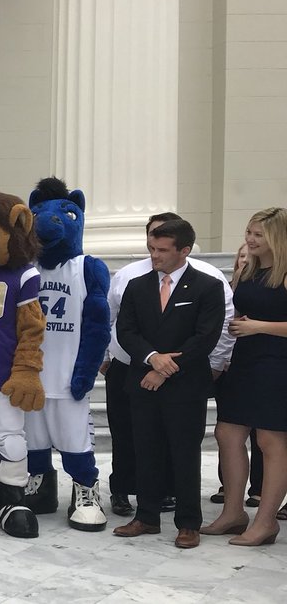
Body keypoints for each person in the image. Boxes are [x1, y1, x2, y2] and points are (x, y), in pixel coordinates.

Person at [102, 212, 235, 516]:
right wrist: (152, 358)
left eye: (162, 250)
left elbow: (206, 336)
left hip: (185, 384)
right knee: (145, 449)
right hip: (141, 378)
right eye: (152, 248)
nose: (154, 256)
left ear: (184, 250)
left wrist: (164, 369)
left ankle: (188, 522)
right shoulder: (136, 283)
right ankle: (146, 517)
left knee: (184, 454)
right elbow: (126, 329)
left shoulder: (208, 284)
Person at [203, 208, 287, 546]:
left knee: (270, 440)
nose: (250, 239)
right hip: (245, 359)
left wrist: (258, 327)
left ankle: (266, 522)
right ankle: (233, 512)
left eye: (258, 234)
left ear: (276, 237)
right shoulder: (247, 270)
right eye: (249, 232)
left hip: (278, 363)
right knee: (226, 432)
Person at [210, 244, 264, 508]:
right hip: (232, 366)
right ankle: (229, 491)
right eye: (242, 256)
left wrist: (257, 326)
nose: (246, 260)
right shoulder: (230, 288)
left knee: (266, 436)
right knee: (227, 431)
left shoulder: (271, 285)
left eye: (250, 256)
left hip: (266, 364)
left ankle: (260, 490)